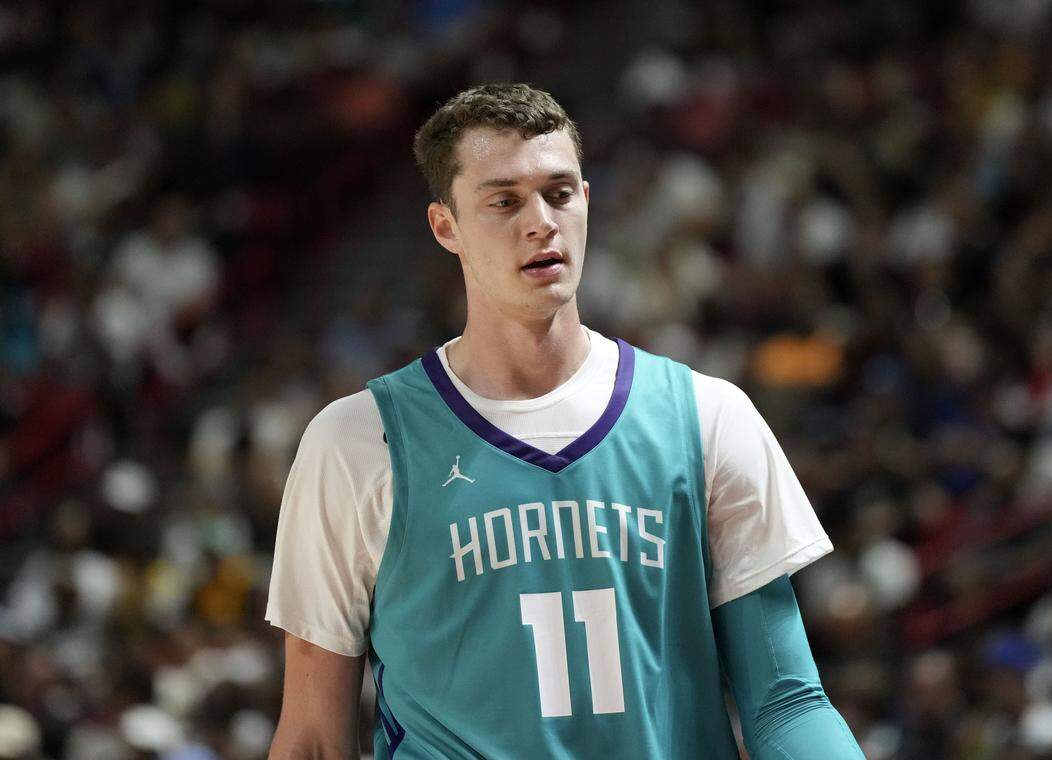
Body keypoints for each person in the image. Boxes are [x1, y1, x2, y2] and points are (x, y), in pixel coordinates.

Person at [266, 83, 864, 759]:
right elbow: (313, 738)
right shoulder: (356, 442)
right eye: (504, 201)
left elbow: (785, 701)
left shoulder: (707, 416)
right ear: (445, 227)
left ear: (586, 200)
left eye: (558, 193)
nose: (541, 222)